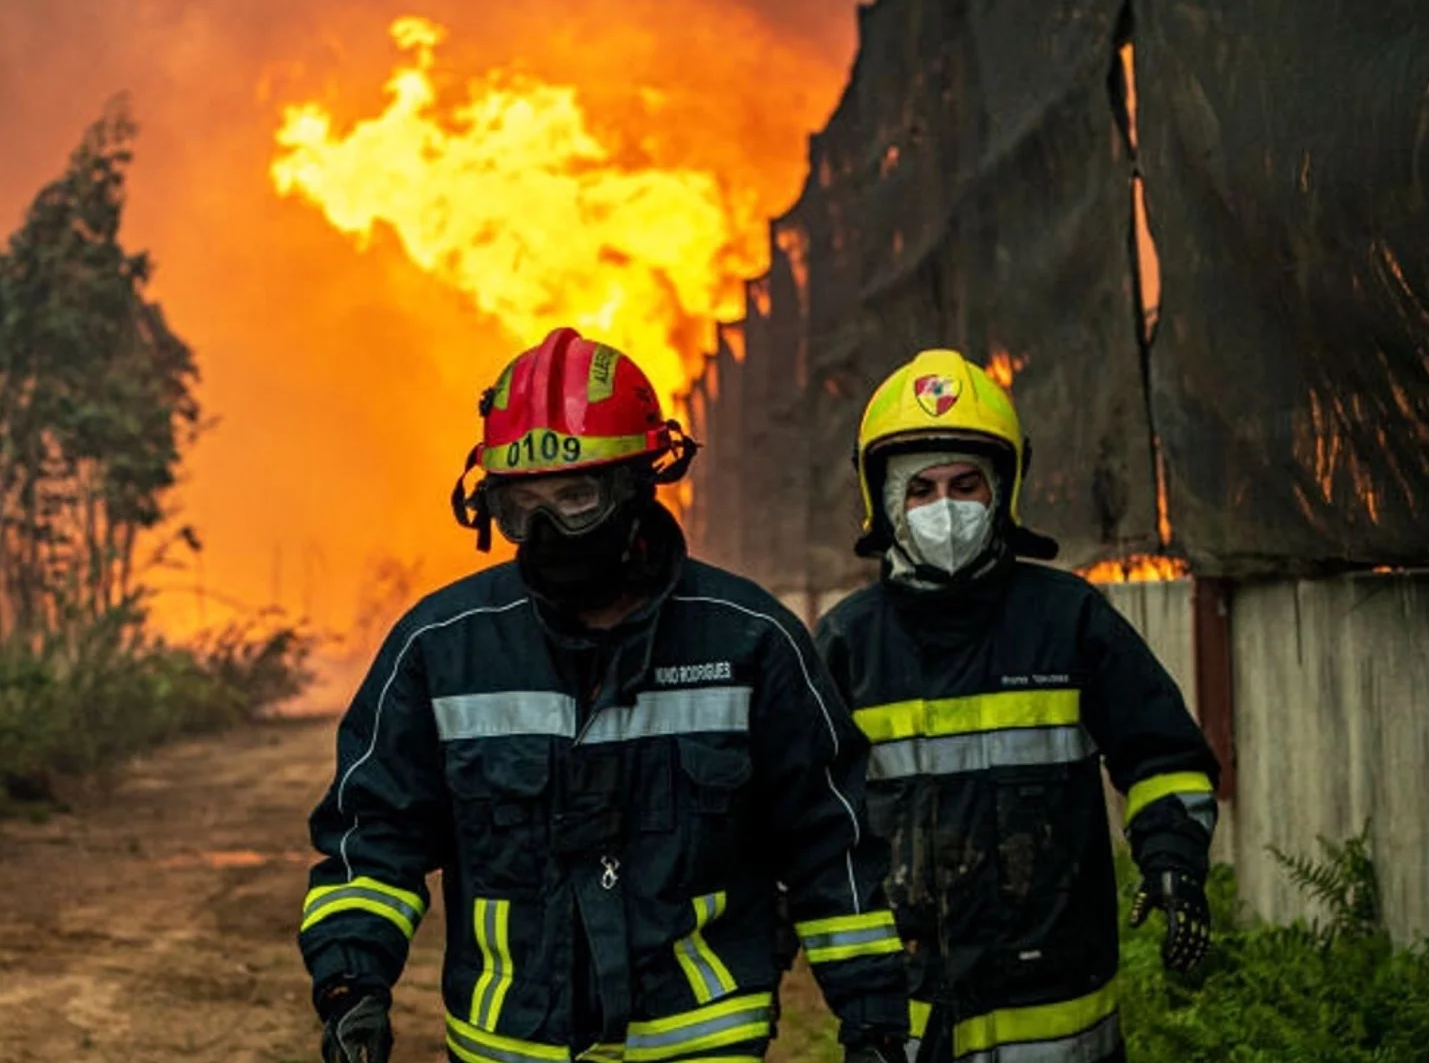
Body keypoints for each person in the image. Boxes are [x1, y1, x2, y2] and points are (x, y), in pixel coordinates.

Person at [298, 327, 910, 1063]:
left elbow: (830, 846)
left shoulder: (749, 644)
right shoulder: (441, 649)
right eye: (524, 506)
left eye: (577, 496)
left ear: (637, 486)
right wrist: (350, 987)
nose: (550, 530)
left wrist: (873, 1020)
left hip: (698, 1049)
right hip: (510, 1050)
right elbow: (372, 838)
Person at [812, 349, 1220, 1062]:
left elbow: (1162, 754)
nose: (947, 509)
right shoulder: (848, 643)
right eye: (923, 489)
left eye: (966, 485)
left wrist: (1174, 856)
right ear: (886, 504)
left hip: (1057, 1017)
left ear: (1003, 490)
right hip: (907, 1024)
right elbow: (803, 817)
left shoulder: (1069, 621)